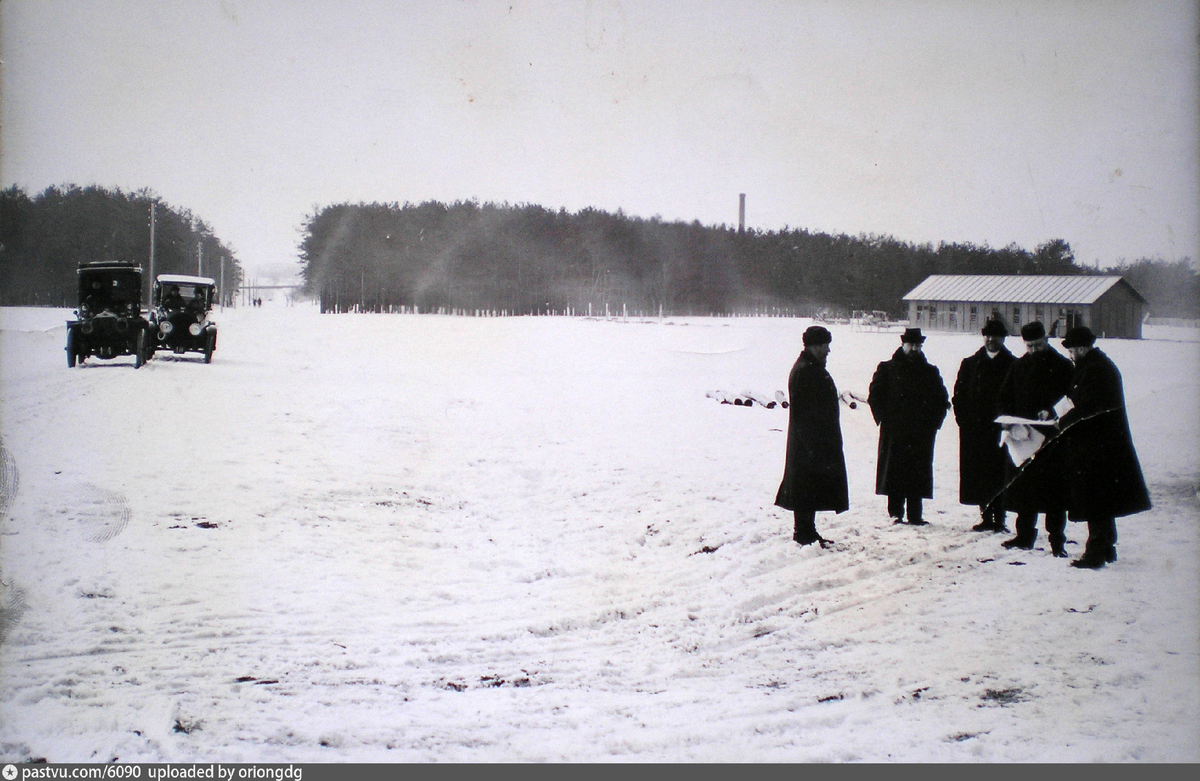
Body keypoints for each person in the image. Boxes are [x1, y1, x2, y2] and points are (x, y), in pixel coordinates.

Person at [1054, 326, 1151, 569]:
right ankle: (1106, 547)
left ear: (1082, 348)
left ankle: (1095, 553)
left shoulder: (1096, 370)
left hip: (1098, 445)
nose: (1071, 354)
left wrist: (1061, 422)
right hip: (1101, 443)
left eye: (1073, 350)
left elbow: (1085, 406)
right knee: (1102, 498)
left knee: (1095, 498)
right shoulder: (1093, 366)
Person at [995, 321, 1075, 556]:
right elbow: (1004, 396)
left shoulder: (1062, 366)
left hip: (1053, 439)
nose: (1033, 350)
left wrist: (1052, 410)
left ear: (1046, 340)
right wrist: (1006, 419)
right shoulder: (1019, 366)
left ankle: (1057, 541)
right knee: (1024, 490)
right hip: (1023, 437)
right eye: (1029, 346)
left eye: (1037, 345)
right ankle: (1024, 536)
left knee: (1054, 494)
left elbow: (1071, 396)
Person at [774, 325, 848, 547]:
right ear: (815, 346)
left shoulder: (810, 367)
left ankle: (808, 530)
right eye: (825, 346)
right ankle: (803, 532)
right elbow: (804, 413)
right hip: (810, 442)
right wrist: (814, 444)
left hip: (812, 440)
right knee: (806, 486)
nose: (828, 350)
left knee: (809, 486)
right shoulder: (806, 370)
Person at [868, 327, 949, 525]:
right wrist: (884, 420)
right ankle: (895, 513)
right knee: (894, 472)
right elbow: (875, 397)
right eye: (910, 344)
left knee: (917, 473)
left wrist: (933, 424)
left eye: (917, 345)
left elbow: (942, 400)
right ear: (902, 344)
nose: (914, 348)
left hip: (921, 432)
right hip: (895, 430)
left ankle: (915, 515)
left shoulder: (930, 372)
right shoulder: (887, 369)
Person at [952, 319, 1017, 533]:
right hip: (975, 431)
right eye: (987, 336)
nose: (991, 340)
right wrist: (964, 422)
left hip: (1001, 431)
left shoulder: (1013, 365)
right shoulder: (970, 364)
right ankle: (986, 516)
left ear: (1003, 338)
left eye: (995, 336)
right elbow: (958, 397)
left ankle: (1000, 517)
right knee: (978, 474)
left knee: (1000, 474)